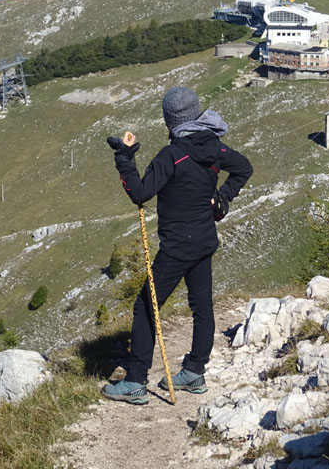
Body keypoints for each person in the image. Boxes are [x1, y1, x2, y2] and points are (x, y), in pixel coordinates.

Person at [103, 86, 253, 404]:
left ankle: (135, 381)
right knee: (202, 307)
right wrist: (222, 199)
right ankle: (194, 372)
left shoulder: (171, 156)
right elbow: (244, 168)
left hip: (176, 247)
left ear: (170, 121)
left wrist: (124, 157)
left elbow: (140, 192)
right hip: (203, 240)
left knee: (146, 306)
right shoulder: (215, 148)